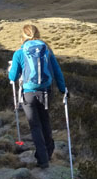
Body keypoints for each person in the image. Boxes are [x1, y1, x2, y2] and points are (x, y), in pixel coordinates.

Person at [8, 24, 67, 169]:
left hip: (28, 93)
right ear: (38, 34)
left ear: (22, 36)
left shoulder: (19, 53)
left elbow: (13, 76)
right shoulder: (47, 50)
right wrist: (63, 89)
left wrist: (10, 69)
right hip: (46, 92)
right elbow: (57, 72)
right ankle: (49, 151)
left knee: (35, 125)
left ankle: (43, 159)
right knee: (45, 121)